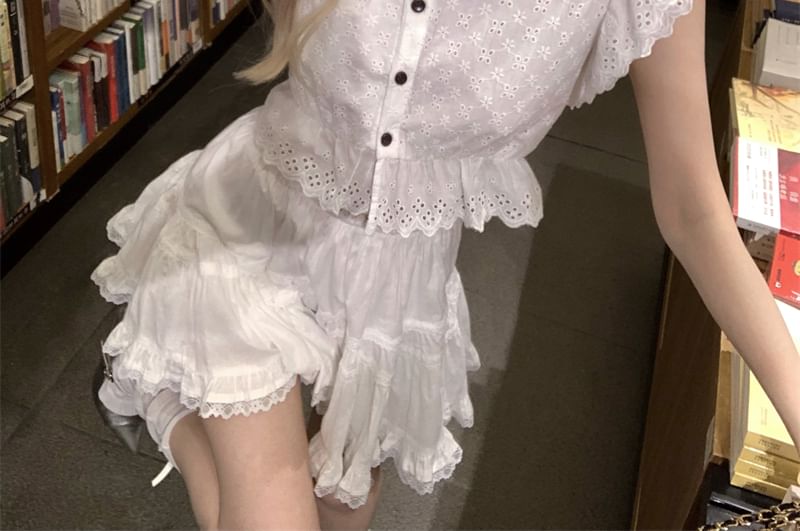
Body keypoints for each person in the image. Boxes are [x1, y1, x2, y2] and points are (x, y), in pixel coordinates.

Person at [90, 0, 800, 529]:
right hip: (256, 219)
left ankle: (166, 400)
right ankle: (165, 405)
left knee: (342, 504)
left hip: (398, 282)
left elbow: (695, 210)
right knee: (272, 507)